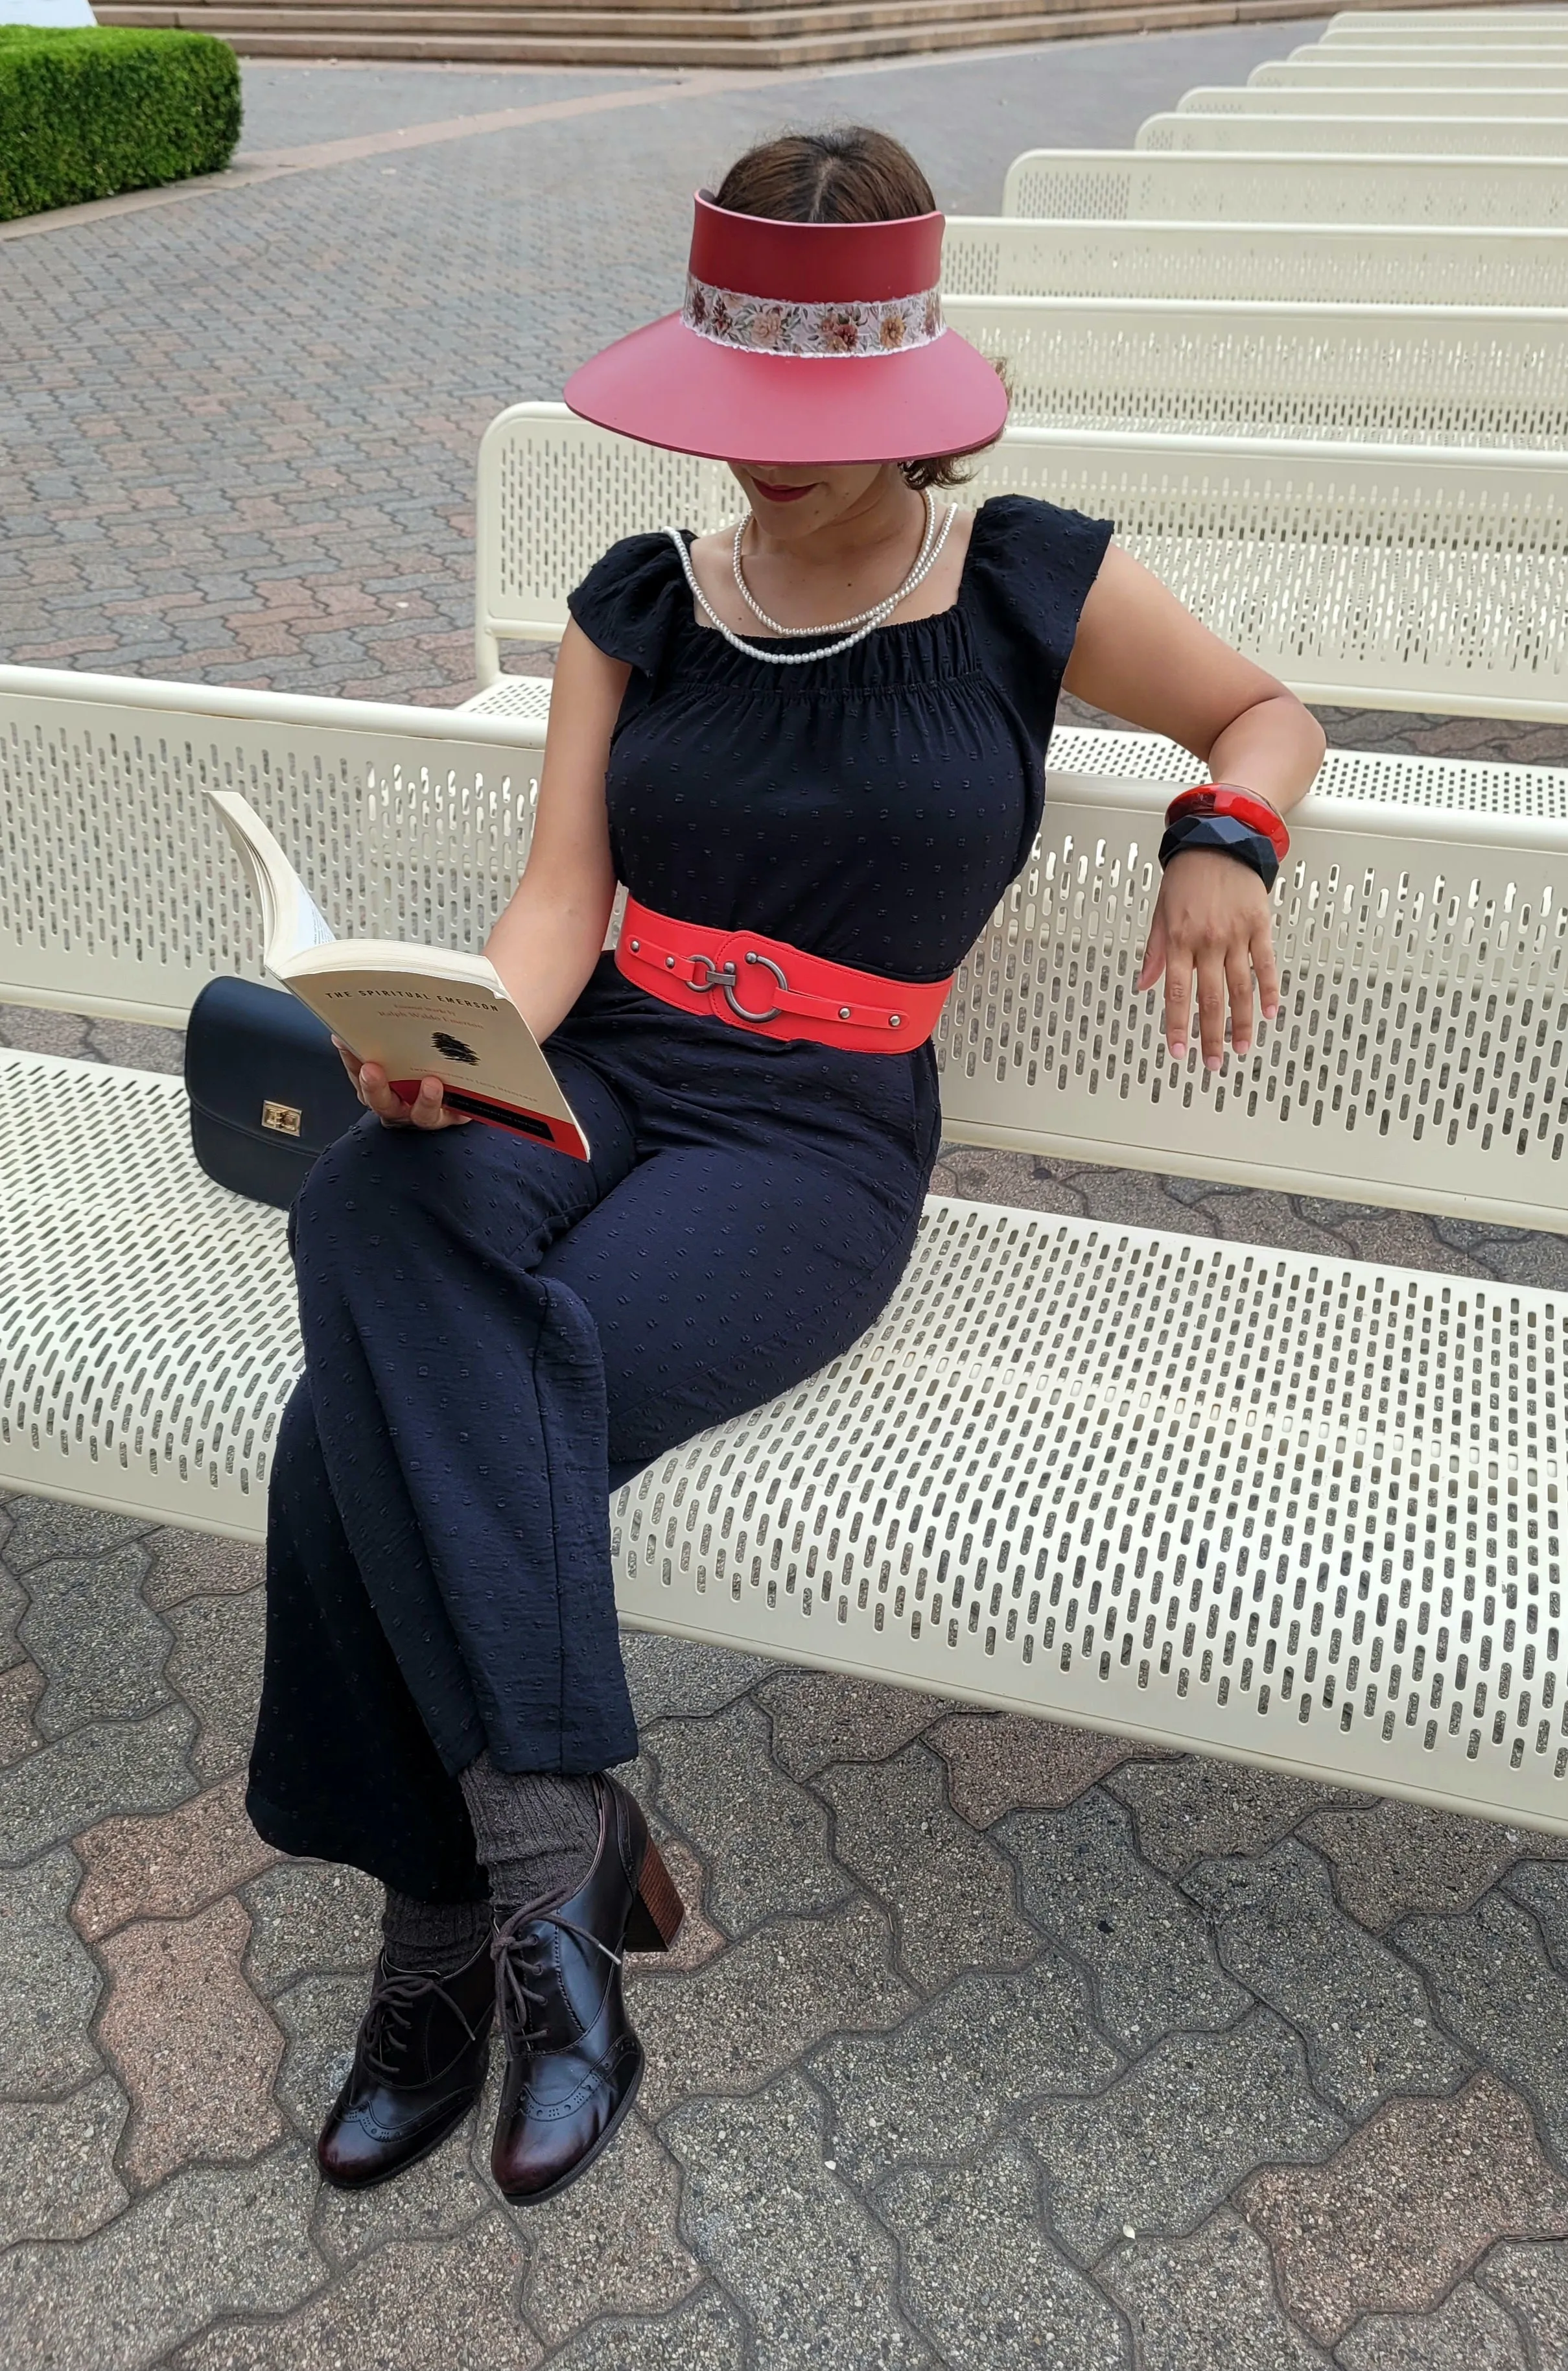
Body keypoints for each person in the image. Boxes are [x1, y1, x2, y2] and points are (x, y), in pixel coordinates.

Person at [246, 125, 1326, 2207]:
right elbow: (564, 902)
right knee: (378, 1210)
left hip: (821, 1137)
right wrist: (455, 1045)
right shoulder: (642, 599)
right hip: (614, 1061)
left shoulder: (1028, 574)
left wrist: (1225, 838)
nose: (761, 465)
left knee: (360, 1415)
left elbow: (1269, 711)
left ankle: (452, 1928)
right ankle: (555, 1877)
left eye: (810, 426)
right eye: (739, 417)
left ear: (907, 396)